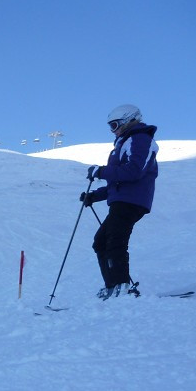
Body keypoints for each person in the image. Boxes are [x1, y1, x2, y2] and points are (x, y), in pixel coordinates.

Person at [81, 104, 159, 299]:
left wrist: (101, 171)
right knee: (101, 242)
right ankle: (113, 285)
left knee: (115, 240)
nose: (113, 130)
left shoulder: (139, 139)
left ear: (129, 120)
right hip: (123, 199)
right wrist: (95, 196)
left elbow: (133, 172)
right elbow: (118, 182)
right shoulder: (124, 143)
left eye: (115, 125)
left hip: (132, 201)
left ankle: (121, 287)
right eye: (111, 126)